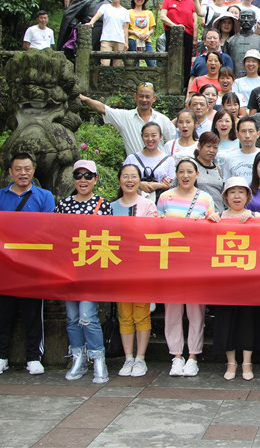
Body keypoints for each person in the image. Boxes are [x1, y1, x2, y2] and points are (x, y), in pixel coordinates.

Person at [0, 153, 55, 377]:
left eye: (27, 169)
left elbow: (47, 227)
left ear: (33, 170)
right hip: (4, 264)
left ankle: (34, 357)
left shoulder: (45, 196)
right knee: (1, 312)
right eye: (18, 169)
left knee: (32, 313)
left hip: (33, 265)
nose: (23, 173)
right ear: (10, 171)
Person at [158, 157, 220, 378]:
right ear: (176, 174)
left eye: (189, 171)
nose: (185, 175)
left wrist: (214, 218)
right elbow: (156, 226)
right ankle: (176, 356)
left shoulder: (205, 198)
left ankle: (193, 356)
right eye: (181, 172)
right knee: (172, 311)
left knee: (196, 312)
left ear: (197, 174)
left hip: (196, 263)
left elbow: (212, 228)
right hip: (171, 262)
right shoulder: (165, 197)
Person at [55, 160, 113, 383]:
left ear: (95, 179)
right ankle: (78, 359)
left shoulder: (103, 205)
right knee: (72, 318)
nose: (83, 180)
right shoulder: (63, 205)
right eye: (78, 175)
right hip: (68, 268)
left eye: (88, 176)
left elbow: (110, 237)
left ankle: (98, 359)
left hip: (92, 268)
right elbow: (56, 235)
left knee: (87, 316)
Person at [213, 177, 260, 381]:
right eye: (232, 192)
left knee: (248, 320)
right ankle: (231, 362)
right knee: (226, 320)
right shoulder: (217, 217)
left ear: (247, 196)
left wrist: (254, 221)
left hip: (249, 280)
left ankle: (247, 362)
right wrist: (210, 221)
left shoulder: (255, 216)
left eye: (241, 192)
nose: (236, 196)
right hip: (224, 280)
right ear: (225, 196)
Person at [111, 164, 158, 377]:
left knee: (141, 314)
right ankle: (128, 357)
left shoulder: (148, 205)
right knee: (125, 315)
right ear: (119, 180)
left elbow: (152, 233)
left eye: (133, 176)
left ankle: (140, 358)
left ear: (140, 180)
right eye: (125, 176)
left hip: (141, 269)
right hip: (119, 269)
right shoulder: (111, 207)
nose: (129, 180)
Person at [79, 83, 174, 157]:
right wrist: (85, 99)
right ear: (135, 97)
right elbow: (103, 109)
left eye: (147, 97)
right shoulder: (125, 117)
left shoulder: (162, 119)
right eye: (141, 96)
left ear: (154, 98)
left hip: (159, 170)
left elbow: (174, 143)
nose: (144, 100)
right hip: (134, 170)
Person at [124, 121, 174, 202]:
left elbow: (172, 185)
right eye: (146, 135)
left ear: (160, 136)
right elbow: (123, 180)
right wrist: (139, 184)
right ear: (142, 137)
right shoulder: (132, 158)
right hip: (134, 201)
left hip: (161, 202)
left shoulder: (168, 160)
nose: (150, 139)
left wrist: (158, 185)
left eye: (153, 135)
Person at [160, 0, 197, 81]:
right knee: (172, 57)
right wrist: (175, 26)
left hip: (188, 33)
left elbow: (195, 20)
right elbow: (163, 16)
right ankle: (171, 80)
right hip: (172, 33)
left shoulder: (190, 2)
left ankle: (185, 83)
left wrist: (195, 37)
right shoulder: (167, 1)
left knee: (187, 58)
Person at [85, 0, 130, 66]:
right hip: (106, 38)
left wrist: (126, 42)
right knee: (105, 63)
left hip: (119, 39)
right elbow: (97, 15)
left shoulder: (125, 11)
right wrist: (91, 23)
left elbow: (125, 27)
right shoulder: (105, 7)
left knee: (117, 64)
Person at [220, 116, 260, 183]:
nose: (247, 135)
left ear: (258, 134)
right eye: (243, 131)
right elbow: (227, 182)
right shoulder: (230, 157)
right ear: (237, 134)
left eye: (251, 131)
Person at [127, 0, 157, 66]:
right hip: (133, 40)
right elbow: (125, 29)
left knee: (152, 63)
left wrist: (148, 33)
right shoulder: (128, 12)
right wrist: (135, 33)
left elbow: (151, 29)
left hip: (146, 40)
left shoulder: (149, 13)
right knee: (134, 64)